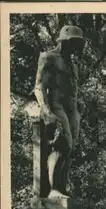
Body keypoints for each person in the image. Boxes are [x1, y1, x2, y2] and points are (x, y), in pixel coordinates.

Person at [34, 25, 85, 198]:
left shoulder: (73, 65)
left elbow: (73, 88)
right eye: (74, 43)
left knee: (70, 150)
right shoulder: (48, 58)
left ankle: (61, 188)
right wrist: (46, 111)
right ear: (64, 41)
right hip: (56, 105)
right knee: (63, 145)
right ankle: (54, 189)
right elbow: (39, 87)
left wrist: (79, 107)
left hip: (73, 110)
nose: (76, 48)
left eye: (79, 44)